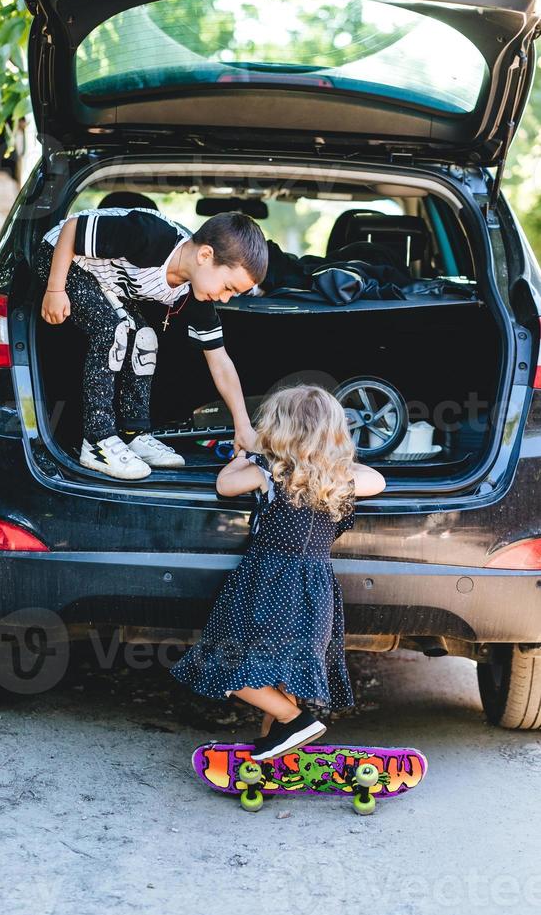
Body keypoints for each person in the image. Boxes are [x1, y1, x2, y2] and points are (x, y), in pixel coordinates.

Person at [170, 385, 386, 761]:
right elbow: (377, 480)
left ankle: (295, 721)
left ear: (278, 429)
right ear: (336, 432)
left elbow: (224, 484)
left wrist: (248, 455)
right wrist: (336, 463)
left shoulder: (267, 471)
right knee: (281, 675)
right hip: (314, 591)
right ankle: (279, 745)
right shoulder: (341, 480)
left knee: (224, 662)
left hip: (270, 584)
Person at [35, 208, 268, 480]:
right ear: (205, 255)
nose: (226, 299)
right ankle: (98, 441)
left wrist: (243, 427)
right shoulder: (151, 237)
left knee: (144, 338)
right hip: (60, 257)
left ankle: (133, 434)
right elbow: (73, 228)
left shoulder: (192, 292)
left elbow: (220, 360)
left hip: (102, 281)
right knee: (114, 330)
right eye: (228, 287)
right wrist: (55, 289)